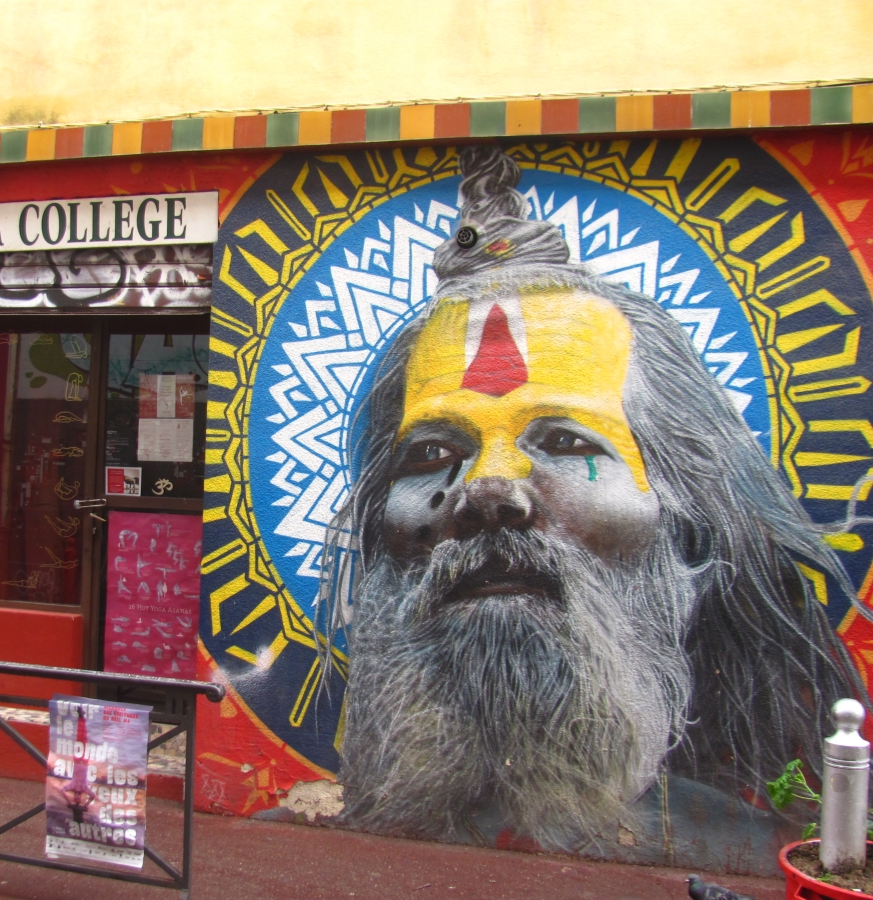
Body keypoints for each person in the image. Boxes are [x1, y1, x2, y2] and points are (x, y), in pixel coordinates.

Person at [318, 145, 869, 865]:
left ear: (687, 526)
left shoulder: (759, 848)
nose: (489, 492)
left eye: (564, 440)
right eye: (431, 453)